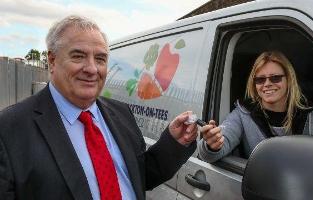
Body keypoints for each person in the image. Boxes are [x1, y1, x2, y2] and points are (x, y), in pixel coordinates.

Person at [0, 15, 198, 200]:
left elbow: (138, 175)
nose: (92, 69)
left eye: (100, 59)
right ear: (52, 61)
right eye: (78, 56)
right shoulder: (9, 130)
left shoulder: (121, 113)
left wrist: (174, 142)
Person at [198, 51, 313, 163]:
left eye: (275, 78)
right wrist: (212, 145)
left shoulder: (310, 114)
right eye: (260, 80)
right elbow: (214, 151)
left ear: (289, 80)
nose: (267, 84)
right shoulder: (243, 113)